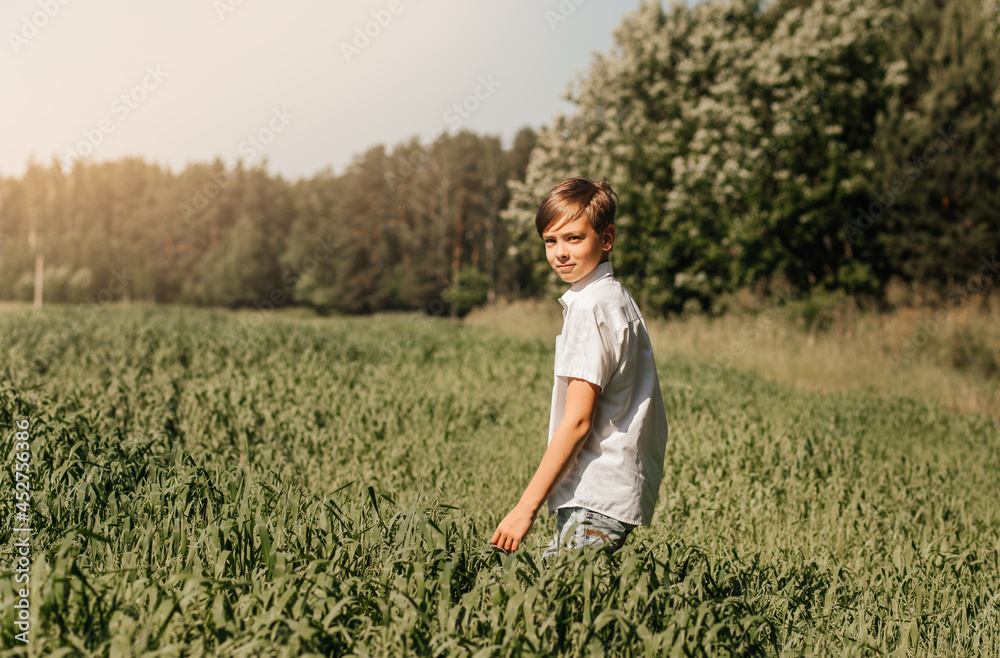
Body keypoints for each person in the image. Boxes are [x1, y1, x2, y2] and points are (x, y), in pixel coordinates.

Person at [490, 176, 669, 560]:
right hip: (609, 488)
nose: (560, 253)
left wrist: (525, 509)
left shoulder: (591, 308)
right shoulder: (616, 297)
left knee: (546, 602)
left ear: (607, 238)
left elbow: (577, 421)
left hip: (596, 491)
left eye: (574, 238)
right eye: (550, 241)